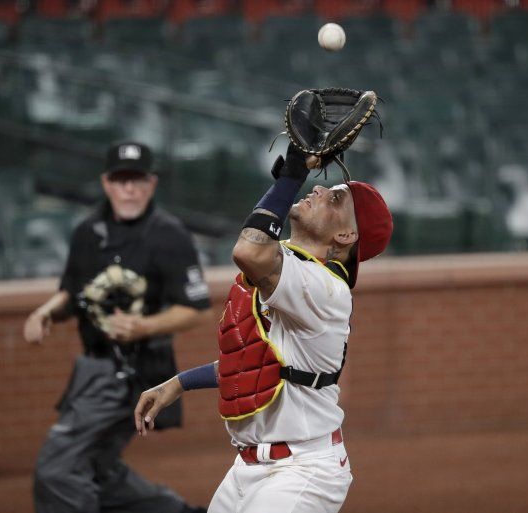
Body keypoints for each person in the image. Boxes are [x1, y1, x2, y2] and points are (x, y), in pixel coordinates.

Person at [133, 144, 393, 513]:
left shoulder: (324, 288)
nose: (319, 190)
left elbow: (249, 251)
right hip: (249, 469)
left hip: (303, 472)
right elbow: (254, 362)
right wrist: (179, 382)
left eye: (335, 199)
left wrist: (292, 175)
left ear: (346, 237)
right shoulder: (291, 267)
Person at [23, 141, 212, 513]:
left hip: (135, 370)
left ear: (152, 184)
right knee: (97, 468)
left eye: (137, 180)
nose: (129, 189)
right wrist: (45, 311)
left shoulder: (169, 235)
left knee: (57, 471)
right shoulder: (87, 232)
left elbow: (197, 309)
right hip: (92, 368)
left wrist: (144, 326)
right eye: (121, 180)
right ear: (106, 183)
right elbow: (72, 292)